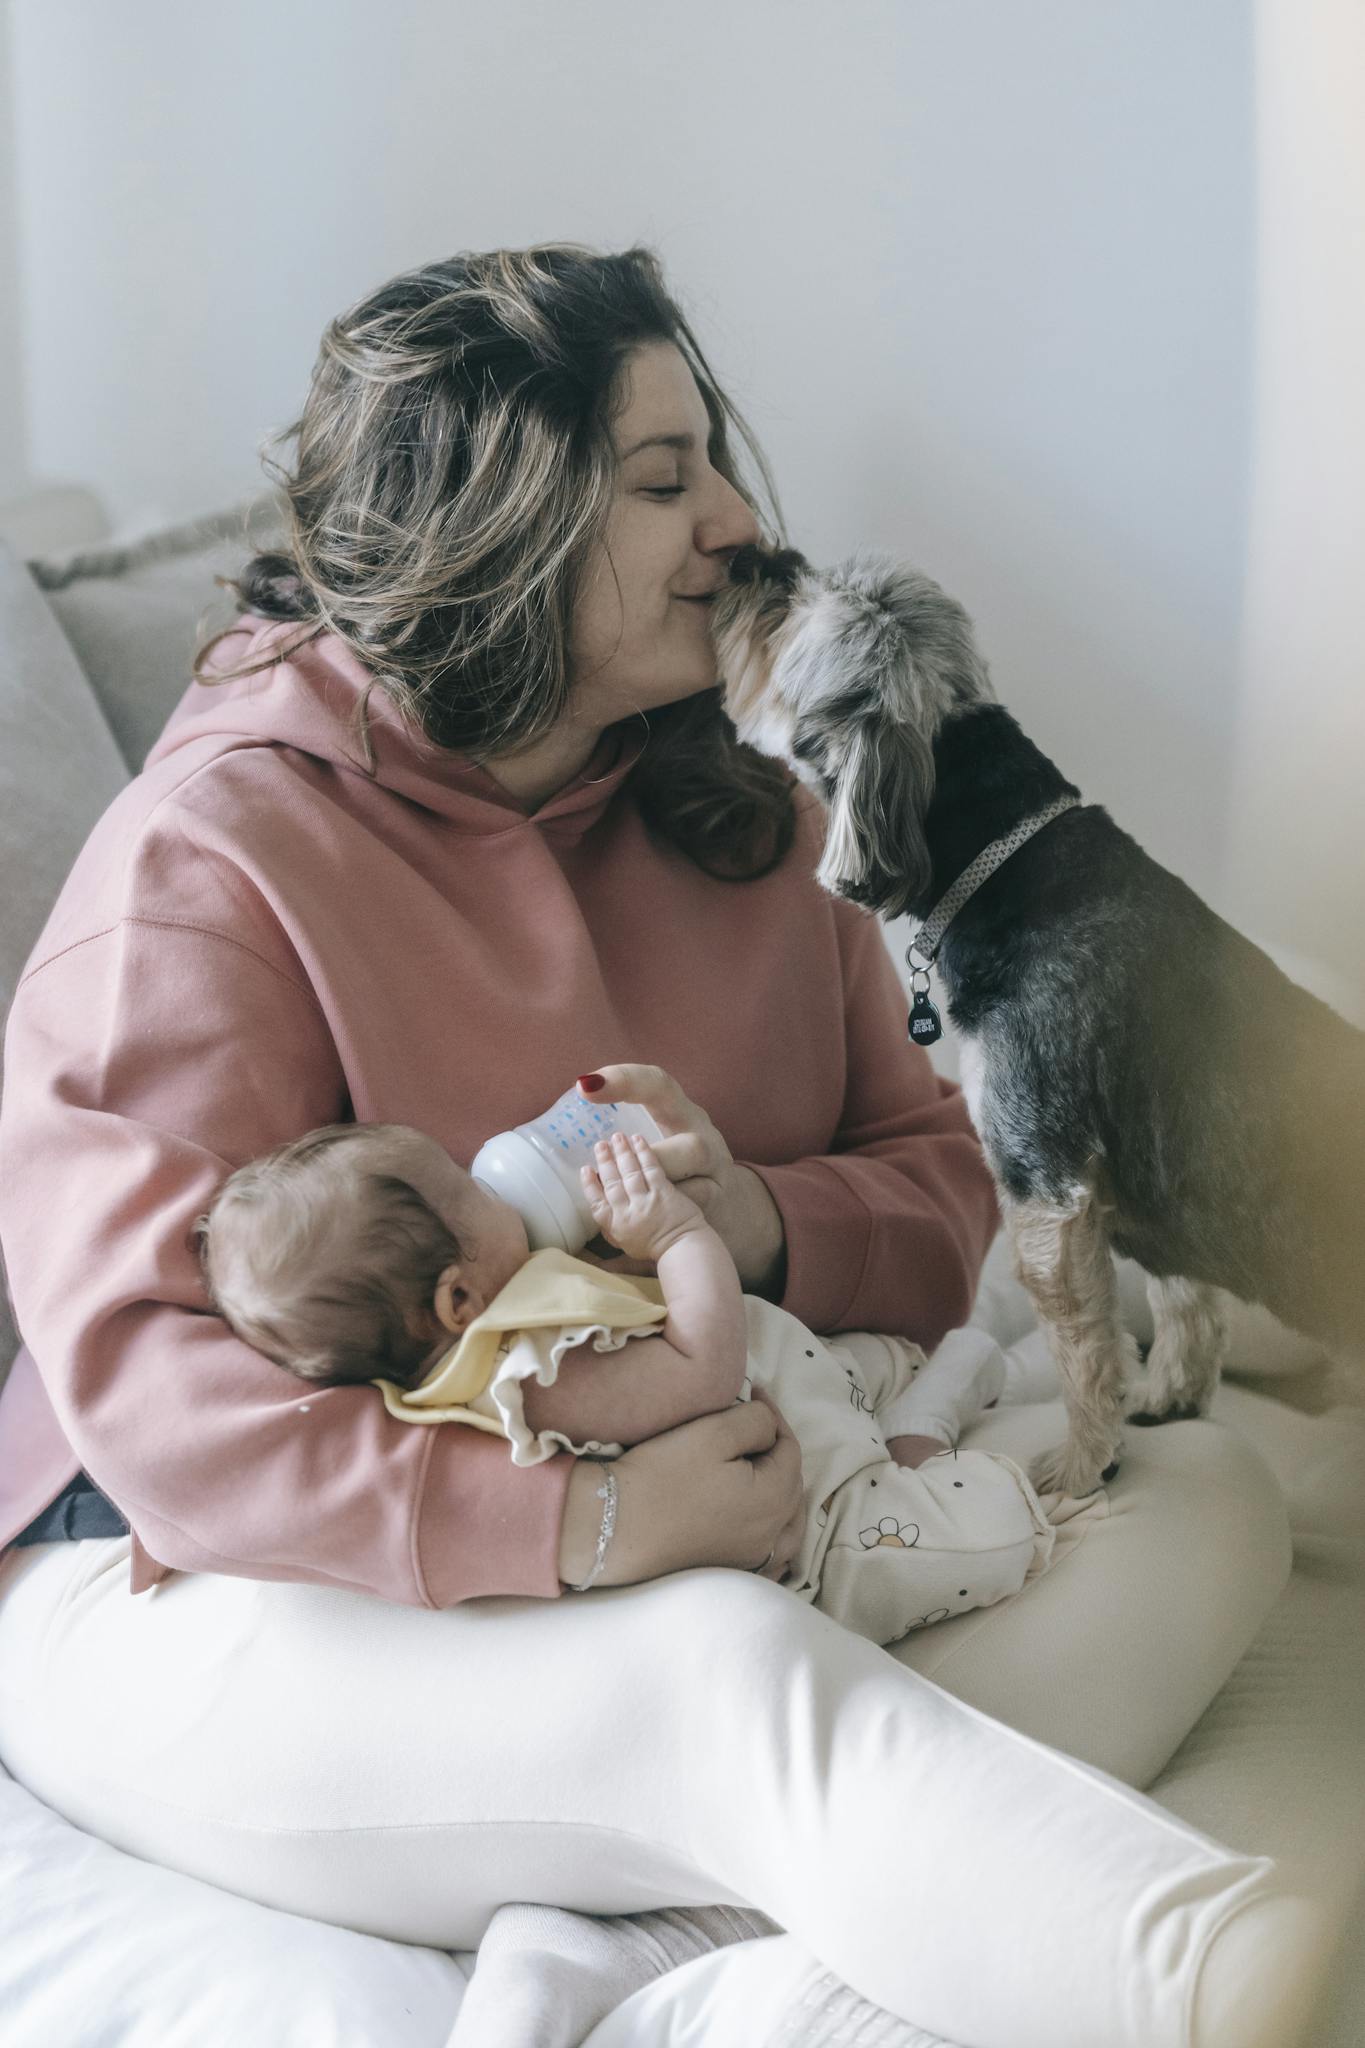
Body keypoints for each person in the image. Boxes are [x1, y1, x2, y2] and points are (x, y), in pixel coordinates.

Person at [0, 245, 1308, 2047]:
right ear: (496, 516)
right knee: (723, 1668)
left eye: (720, 459)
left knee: (1210, 1505)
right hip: (174, 1576)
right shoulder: (209, 861)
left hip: (725, 1510)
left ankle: (631, 1954)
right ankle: (1244, 1986)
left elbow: (948, 1187)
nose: (740, 520)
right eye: (665, 474)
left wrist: (758, 1220)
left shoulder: (756, 811)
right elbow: (157, 1399)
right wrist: (584, 1517)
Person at [195, 1113, 1062, 1642]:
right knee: (971, 1538)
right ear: (460, 1298)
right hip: (816, 1503)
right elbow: (700, 1365)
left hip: (811, 1382)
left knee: (888, 1362)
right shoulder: (531, 1376)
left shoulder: (496, 1315)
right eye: (467, 1189)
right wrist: (678, 1236)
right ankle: (947, 1437)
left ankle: (964, 1378)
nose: (487, 1181)